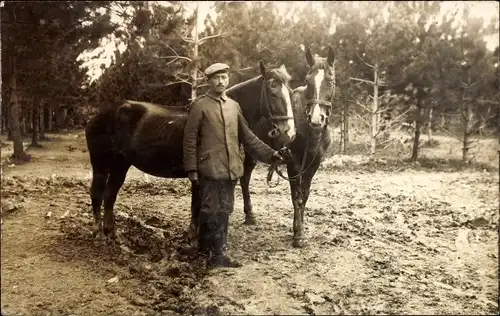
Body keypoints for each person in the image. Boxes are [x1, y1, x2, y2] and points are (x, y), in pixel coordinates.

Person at [183, 62, 288, 269]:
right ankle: (210, 252)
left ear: (228, 79)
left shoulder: (233, 106)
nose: (220, 81)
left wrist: (272, 154)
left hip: (230, 169)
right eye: (216, 78)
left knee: (225, 210)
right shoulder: (200, 106)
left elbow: (248, 138)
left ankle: (217, 252)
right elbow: (189, 139)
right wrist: (191, 168)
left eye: (224, 77)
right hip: (210, 168)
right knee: (211, 209)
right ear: (209, 81)